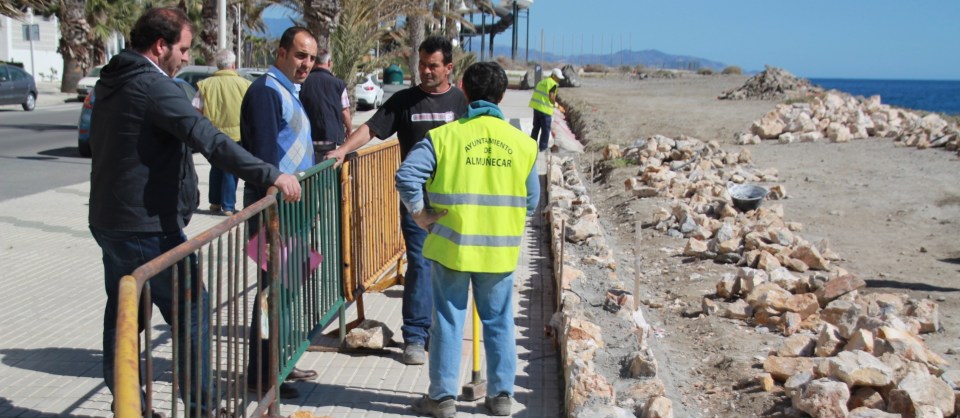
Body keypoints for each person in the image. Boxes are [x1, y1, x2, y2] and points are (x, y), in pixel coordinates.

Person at [87, 7, 301, 417]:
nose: (187, 58)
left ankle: (129, 406)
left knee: (124, 316)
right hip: (147, 228)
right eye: (183, 49)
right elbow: (210, 140)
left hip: (110, 220)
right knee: (192, 315)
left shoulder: (112, 81)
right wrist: (270, 174)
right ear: (160, 45)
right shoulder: (153, 86)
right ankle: (203, 409)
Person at [396, 61, 540, 418]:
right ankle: (502, 396)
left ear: (464, 89)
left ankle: (443, 399)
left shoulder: (445, 137)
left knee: (446, 320)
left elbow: (406, 177)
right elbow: (532, 201)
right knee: (499, 321)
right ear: (502, 95)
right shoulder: (522, 144)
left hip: (451, 248)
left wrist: (421, 214)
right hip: (499, 253)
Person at [325, 35, 468, 365]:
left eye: (433, 65)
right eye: (421, 64)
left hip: (454, 204)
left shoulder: (462, 103)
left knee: (448, 268)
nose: (425, 71)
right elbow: (372, 129)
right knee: (419, 264)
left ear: (449, 67)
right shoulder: (404, 101)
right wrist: (344, 150)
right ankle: (415, 337)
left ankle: (440, 335)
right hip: (417, 204)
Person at [239, 26, 319, 400]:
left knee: (286, 291)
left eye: (312, 58)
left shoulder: (287, 90)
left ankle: (281, 361)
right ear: (282, 52)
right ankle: (266, 374)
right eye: (301, 55)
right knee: (273, 293)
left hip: (290, 213)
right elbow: (265, 157)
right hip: (273, 214)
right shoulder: (266, 92)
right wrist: (271, 219)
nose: (306, 64)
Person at [193, 49, 252, 216]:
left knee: (216, 167)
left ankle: (215, 201)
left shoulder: (205, 85)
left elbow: (196, 109)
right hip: (237, 134)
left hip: (213, 133)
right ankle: (228, 205)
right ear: (233, 65)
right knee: (231, 169)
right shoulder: (245, 85)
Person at [300, 49, 353, 159]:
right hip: (329, 138)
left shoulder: (302, 82)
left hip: (307, 138)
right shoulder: (338, 84)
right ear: (329, 62)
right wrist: (349, 129)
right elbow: (345, 111)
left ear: (314, 62)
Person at [528, 67, 564, 151]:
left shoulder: (542, 82)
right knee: (545, 130)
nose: (559, 80)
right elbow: (551, 97)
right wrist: (557, 105)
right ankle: (543, 148)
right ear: (554, 76)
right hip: (545, 110)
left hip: (536, 108)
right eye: (558, 78)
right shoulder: (552, 83)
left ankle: (531, 146)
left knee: (536, 128)